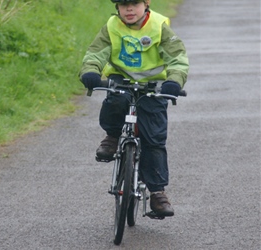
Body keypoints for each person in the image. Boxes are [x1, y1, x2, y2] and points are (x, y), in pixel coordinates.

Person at [79, 0, 189, 217]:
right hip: (121, 80)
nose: (129, 9)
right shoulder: (111, 26)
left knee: (154, 138)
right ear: (117, 7)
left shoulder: (159, 26)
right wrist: (91, 71)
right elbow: (96, 53)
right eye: (123, 4)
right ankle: (111, 137)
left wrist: (174, 81)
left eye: (134, 4)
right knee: (116, 102)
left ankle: (157, 192)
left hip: (153, 87)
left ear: (146, 4)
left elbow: (178, 57)